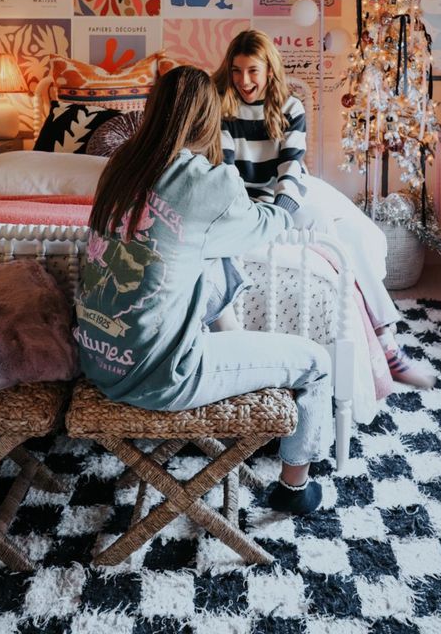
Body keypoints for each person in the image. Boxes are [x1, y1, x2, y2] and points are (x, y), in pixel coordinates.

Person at [76, 65, 333, 515]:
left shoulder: (120, 166)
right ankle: (295, 488)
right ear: (207, 118)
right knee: (317, 364)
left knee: (215, 261)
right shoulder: (206, 181)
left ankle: (231, 349)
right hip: (160, 376)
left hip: (98, 357)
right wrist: (291, 186)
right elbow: (269, 224)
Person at [213, 30, 435, 390]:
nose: (244, 80)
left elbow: (290, 169)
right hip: (247, 202)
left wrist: (279, 215)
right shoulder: (223, 108)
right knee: (329, 240)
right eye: (236, 71)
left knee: (344, 244)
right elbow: (224, 172)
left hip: (289, 195)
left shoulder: (290, 107)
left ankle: (388, 344)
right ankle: (387, 351)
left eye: (253, 70)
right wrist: (248, 216)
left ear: (269, 69)